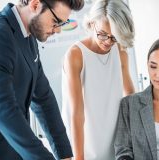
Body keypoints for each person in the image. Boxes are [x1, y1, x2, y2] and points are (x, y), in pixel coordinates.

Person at [0, 0, 84, 159]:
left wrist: (64, 154)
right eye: (56, 22)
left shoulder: (29, 38)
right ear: (35, 4)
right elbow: (4, 111)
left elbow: (44, 99)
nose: (58, 30)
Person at [60, 0, 135, 159]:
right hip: (84, 143)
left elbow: (130, 98)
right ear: (92, 23)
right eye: (102, 34)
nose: (108, 41)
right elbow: (76, 114)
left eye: (114, 37)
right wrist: (79, 158)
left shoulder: (120, 50)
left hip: (115, 143)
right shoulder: (75, 55)